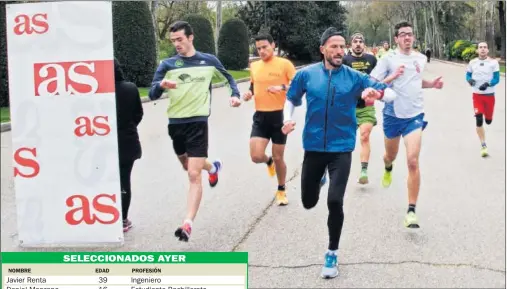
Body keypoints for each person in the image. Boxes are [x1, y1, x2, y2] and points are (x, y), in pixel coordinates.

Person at [282, 27, 398, 279]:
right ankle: (319, 177)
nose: (339, 50)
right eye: (333, 46)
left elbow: (390, 93)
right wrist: (287, 119)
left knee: (334, 201)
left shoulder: (354, 77)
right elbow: (291, 98)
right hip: (313, 147)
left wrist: (375, 94)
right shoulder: (307, 75)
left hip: (341, 148)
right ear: (322, 49)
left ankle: (332, 253)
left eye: (341, 46)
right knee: (309, 201)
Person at [148, 20, 242, 242]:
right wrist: (161, 86)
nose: (177, 44)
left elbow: (229, 78)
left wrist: (235, 95)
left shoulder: (208, 61)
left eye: (180, 39)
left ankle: (187, 223)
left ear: (191, 38)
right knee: (186, 165)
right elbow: (152, 94)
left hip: (198, 123)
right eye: (173, 41)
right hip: (176, 124)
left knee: (192, 173)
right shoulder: (167, 64)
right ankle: (213, 167)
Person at [369, 21, 444, 229]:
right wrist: (392, 76)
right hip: (393, 115)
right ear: (396, 39)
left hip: (414, 116)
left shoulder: (420, 58)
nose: (407, 38)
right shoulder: (387, 59)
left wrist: (432, 85)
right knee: (389, 155)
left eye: (410, 34)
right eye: (403, 35)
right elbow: (372, 81)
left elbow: (416, 81)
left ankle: (411, 210)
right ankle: (388, 166)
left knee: (412, 161)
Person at [320, 32, 403, 186]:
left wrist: (380, 88)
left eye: (360, 41)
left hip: (366, 106)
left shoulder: (371, 59)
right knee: (338, 140)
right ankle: (324, 171)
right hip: (346, 106)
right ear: (350, 45)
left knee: (364, 136)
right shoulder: (343, 60)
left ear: (364, 44)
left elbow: (377, 80)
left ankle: (364, 171)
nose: (358, 43)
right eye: (355, 41)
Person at [242, 34, 297, 206]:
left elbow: (299, 87)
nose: (262, 51)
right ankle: (268, 161)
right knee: (256, 155)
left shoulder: (284, 64)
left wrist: (281, 87)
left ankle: (281, 189)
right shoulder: (255, 65)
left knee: (279, 157)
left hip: (280, 116)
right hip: (260, 116)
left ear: (273, 45)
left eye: (265, 47)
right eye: (258, 48)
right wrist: (249, 93)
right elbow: (253, 84)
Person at [114, 58, 144, 233]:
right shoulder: (130, 88)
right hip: (127, 141)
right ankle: (123, 219)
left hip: (104, 143)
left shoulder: (100, 93)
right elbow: (138, 114)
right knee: (124, 181)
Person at [465, 42, 501, 157]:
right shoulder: (472, 62)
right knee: (479, 119)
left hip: (489, 95)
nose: (483, 49)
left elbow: (497, 79)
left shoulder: (493, 63)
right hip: (477, 96)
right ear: (477, 50)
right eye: (480, 47)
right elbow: (468, 75)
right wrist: (469, 80)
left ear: (488, 50)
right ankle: (483, 144)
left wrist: (488, 84)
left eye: (485, 47)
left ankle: (489, 117)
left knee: (488, 121)